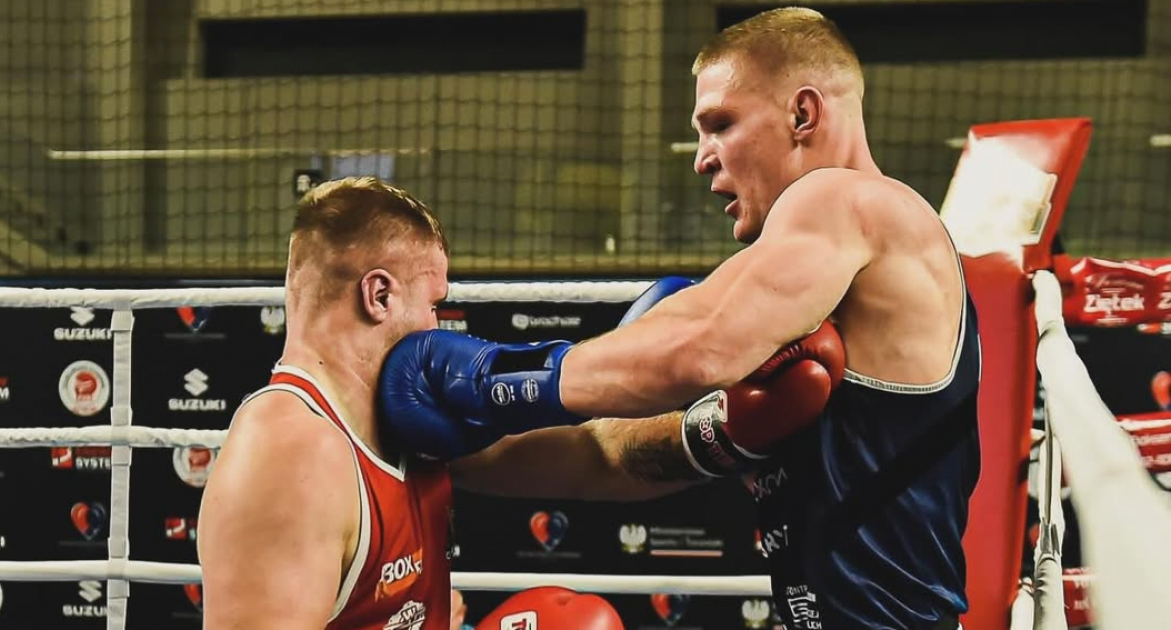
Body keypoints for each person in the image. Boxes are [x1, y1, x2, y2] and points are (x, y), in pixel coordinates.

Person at [379, 7, 982, 630]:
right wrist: (445, 450)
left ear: (803, 114)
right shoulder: (804, 311)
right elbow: (608, 455)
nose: (702, 159)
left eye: (720, 124)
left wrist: (493, 379)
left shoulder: (849, 199)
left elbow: (700, 348)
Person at [196, 177, 688, 630]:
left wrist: (717, 433)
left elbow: (597, 459)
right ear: (380, 296)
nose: (437, 326)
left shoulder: (410, 418)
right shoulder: (291, 452)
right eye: (433, 304)